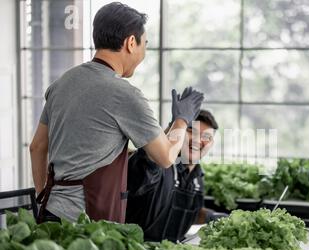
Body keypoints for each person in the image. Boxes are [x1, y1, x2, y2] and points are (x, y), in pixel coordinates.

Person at [29, 2, 203, 223]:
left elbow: (37, 147)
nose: (144, 52)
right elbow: (166, 157)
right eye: (145, 44)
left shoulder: (62, 83)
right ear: (131, 42)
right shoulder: (124, 94)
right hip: (87, 225)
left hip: (50, 213)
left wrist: (42, 195)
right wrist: (181, 120)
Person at [126, 109, 228, 242]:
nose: (198, 140)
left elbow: (189, 212)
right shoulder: (161, 164)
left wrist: (210, 216)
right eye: (192, 131)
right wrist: (170, 132)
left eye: (207, 137)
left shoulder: (197, 177)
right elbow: (146, 163)